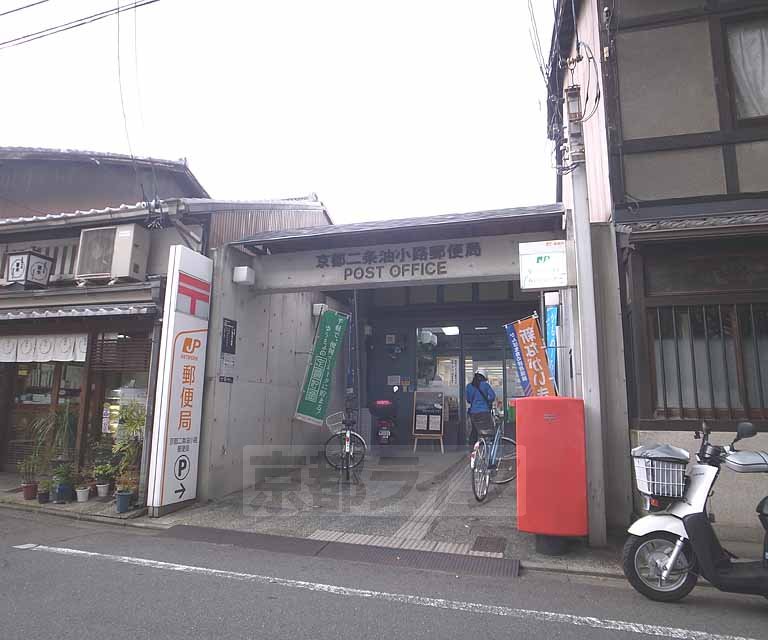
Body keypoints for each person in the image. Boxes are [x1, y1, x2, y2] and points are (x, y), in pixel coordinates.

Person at [466, 369, 496, 444]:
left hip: (473, 413)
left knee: (474, 431)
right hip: (484, 412)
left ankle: (473, 450)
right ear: (483, 377)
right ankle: (486, 448)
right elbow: (492, 396)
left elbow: (468, 400)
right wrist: (486, 401)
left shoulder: (469, 386)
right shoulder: (485, 385)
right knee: (488, 431)